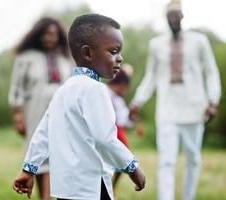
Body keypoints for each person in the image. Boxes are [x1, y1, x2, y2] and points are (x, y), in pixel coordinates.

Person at [12, 14, 146, 200]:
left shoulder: (63, 90)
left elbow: (43, 133)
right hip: (90, 188)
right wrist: (132, 166)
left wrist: (28, 169)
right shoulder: (96, 89)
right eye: (114, 51)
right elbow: (105, 138)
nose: (120, 59)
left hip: (65, 189)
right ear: (88, 53)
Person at [129, 0, 221, 200]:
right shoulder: (156, 44)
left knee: (193, 159)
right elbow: (151, 76)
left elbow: (211, 72)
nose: (173, 19)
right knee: (166, 161)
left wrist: (213, 100)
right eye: (169, 16)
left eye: (176, 16)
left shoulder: (199, 41)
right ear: (165, 18)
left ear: (182, 16)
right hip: (167, 111)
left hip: (196, 109)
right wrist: (137, 101)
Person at [8, 17, 71, 200]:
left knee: (57, 156)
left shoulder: (64, 58)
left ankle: (49, 196)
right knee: (38, 155)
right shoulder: (25, 58)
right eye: (45, 34)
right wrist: (18, 116)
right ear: (38, 35)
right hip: (34, 112)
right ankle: (45, 197)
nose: (49, 38)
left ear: (59, 36)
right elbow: (16, 88)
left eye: (53, 34)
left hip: (61, 114)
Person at [107, 65, 144, 196]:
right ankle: (111, 186)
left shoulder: (117, 99)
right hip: (111, 131)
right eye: (127, 87)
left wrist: (131, 116)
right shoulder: (105, 93)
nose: (127, 91)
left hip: (115, 130)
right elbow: (121, 120)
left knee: (120, 158)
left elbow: (124, 120)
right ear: (122, 84)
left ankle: (112, 187)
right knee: (123, 156)